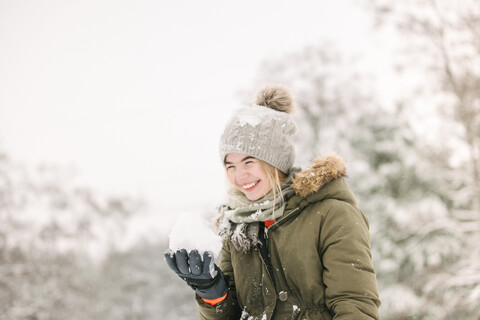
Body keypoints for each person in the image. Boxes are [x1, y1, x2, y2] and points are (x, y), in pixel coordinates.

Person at [164, 86, 381, 319]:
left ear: (275, 162)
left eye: (249, 162)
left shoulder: (331, 214)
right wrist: (212, 293)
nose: (240, 176)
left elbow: (355, 305)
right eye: (231, 166)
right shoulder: (236, 225)